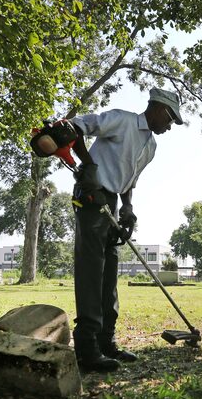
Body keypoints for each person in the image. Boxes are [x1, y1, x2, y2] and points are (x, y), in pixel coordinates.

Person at [65, 88, 182, 372]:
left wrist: (128, 209)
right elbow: (75, 127)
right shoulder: (122, 120)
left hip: (113, 202)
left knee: (109, 274)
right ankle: (86, 348)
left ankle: (106, 341)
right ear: (156, 108)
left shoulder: (151, 147)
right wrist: (89, 166)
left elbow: (131, 180)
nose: (169, 126)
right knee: (92, 271)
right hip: (91, 195)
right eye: (170, 119)